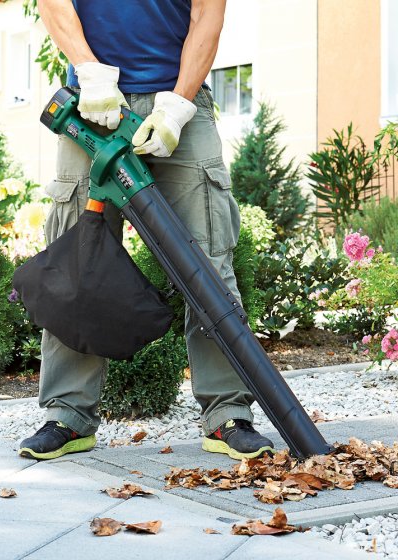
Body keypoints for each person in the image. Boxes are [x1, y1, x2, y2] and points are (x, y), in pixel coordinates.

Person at [18, 0, 275, 462]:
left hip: (178, 101)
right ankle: (67, 415)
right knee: (78, 263)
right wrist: (91, 74)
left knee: (209, 263)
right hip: (91, 107)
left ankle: (226, 414)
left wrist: (177, 106)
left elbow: (207, 15)